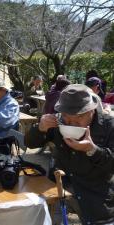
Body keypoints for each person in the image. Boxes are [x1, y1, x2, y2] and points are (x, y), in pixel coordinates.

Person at [25, 84, 114, 224]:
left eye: (78, 117)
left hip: (95, 197)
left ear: (91, 110)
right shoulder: (58, 121)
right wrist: (40, 128)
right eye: (67, 116)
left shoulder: (109, 126)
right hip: (60, 189)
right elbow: (29, 143)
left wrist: (92, 150)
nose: (71, 122)